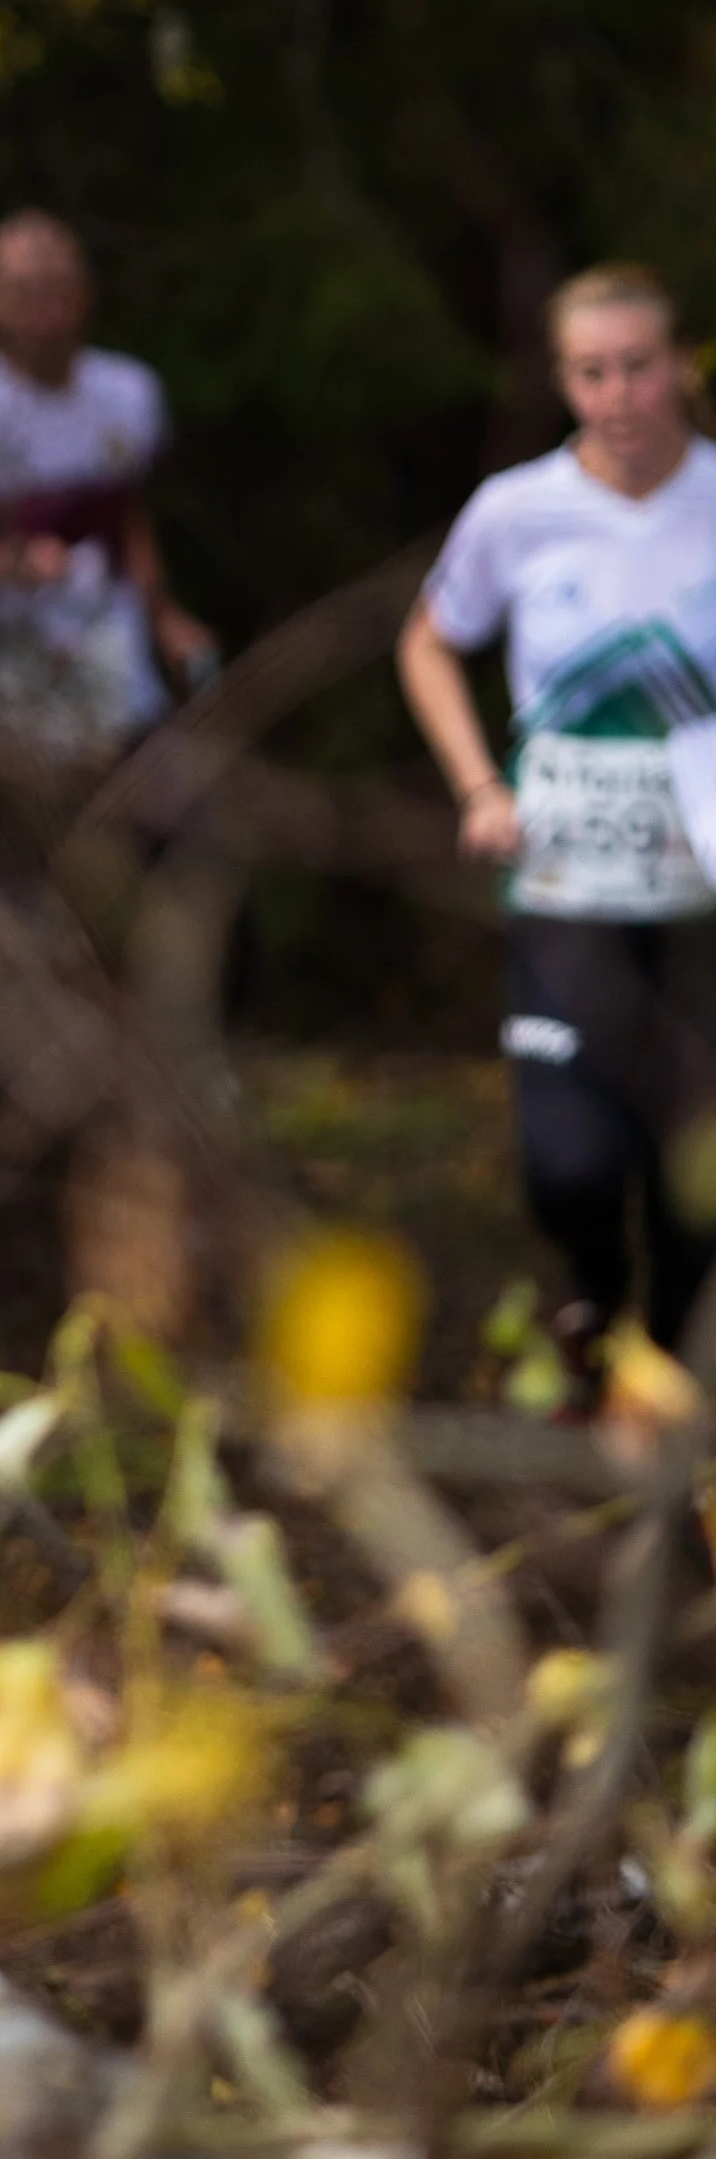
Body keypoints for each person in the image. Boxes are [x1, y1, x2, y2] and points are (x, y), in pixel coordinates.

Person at [398, 260, 716, 1398]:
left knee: (694, 1183)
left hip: (696, 908)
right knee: (573, 1168)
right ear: (562, 380)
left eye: (639, 366)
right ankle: (592, 1290)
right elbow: (428, 640)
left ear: (679, 362)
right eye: (592, 372)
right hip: (562, 889)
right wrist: (480, 786)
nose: (621, 395)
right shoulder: (517, 512)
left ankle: (664, 1388)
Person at [0, 210, 215, 764]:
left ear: (87, 294)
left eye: (60, 290)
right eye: (24, 293)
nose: (46, 313)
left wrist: (164, 617)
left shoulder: (130, 397)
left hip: (115, 691)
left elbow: (127, 519)